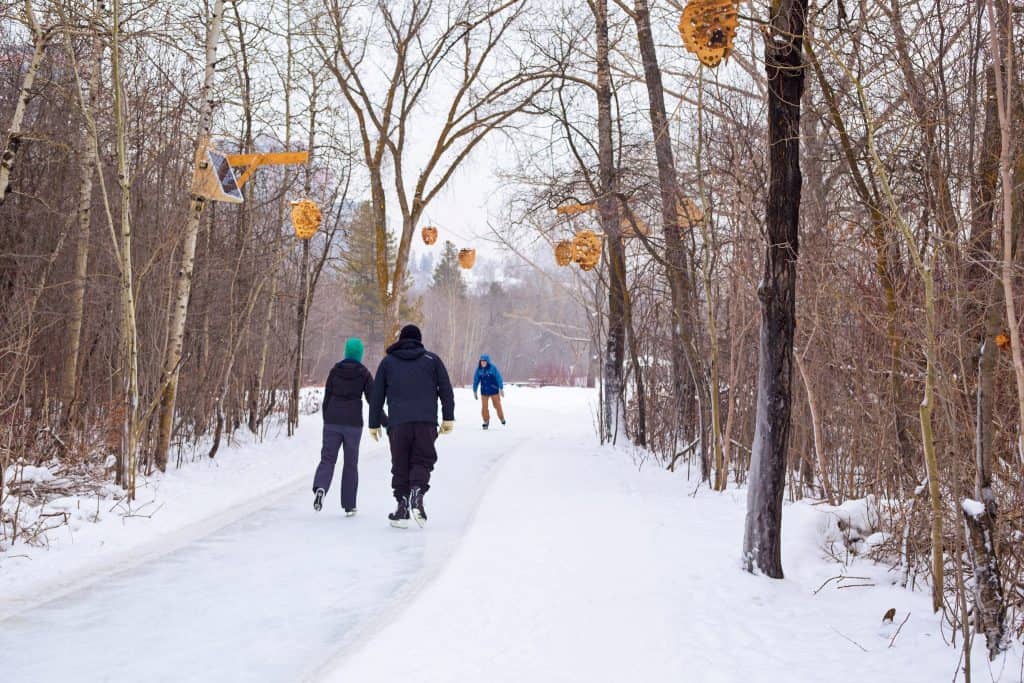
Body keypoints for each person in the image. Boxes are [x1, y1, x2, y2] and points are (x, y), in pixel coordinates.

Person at [368, 324, 455, 528]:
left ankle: (402, 507)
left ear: (401, 340)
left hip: (398, 423)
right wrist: (448, 417)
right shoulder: (432, 360)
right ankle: (417, 491)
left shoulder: (388, 362)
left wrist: (374, 423)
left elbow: (376, 395)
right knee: (422, 460)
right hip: (426, 422)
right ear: (419, 340)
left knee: (400, 464)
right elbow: (446, 389)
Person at [312, 337, 382, 516]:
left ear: (346, 352)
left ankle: (321, 487)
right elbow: (373, 401)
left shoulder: (335, 370)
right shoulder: (364, 373)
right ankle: (349, 505)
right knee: (350, 463)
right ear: (359, 354)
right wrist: (385, 421)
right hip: (352, 424)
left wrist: (327, 418)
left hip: (332, 421)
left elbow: (327, 397)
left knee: (328, 459)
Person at [473, 354, 505, 430]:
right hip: (484, 392)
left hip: (494, 391)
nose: (483, 363)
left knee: (497, 406)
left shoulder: (493, 368)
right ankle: (486, 421)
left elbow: (499, 378)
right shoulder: (479, 370)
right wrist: (474, 390)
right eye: (481, 361)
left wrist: (501, 388)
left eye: (484, 361)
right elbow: (476, 380)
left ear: (488, 362)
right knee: (484, 408)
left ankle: (501, 418)